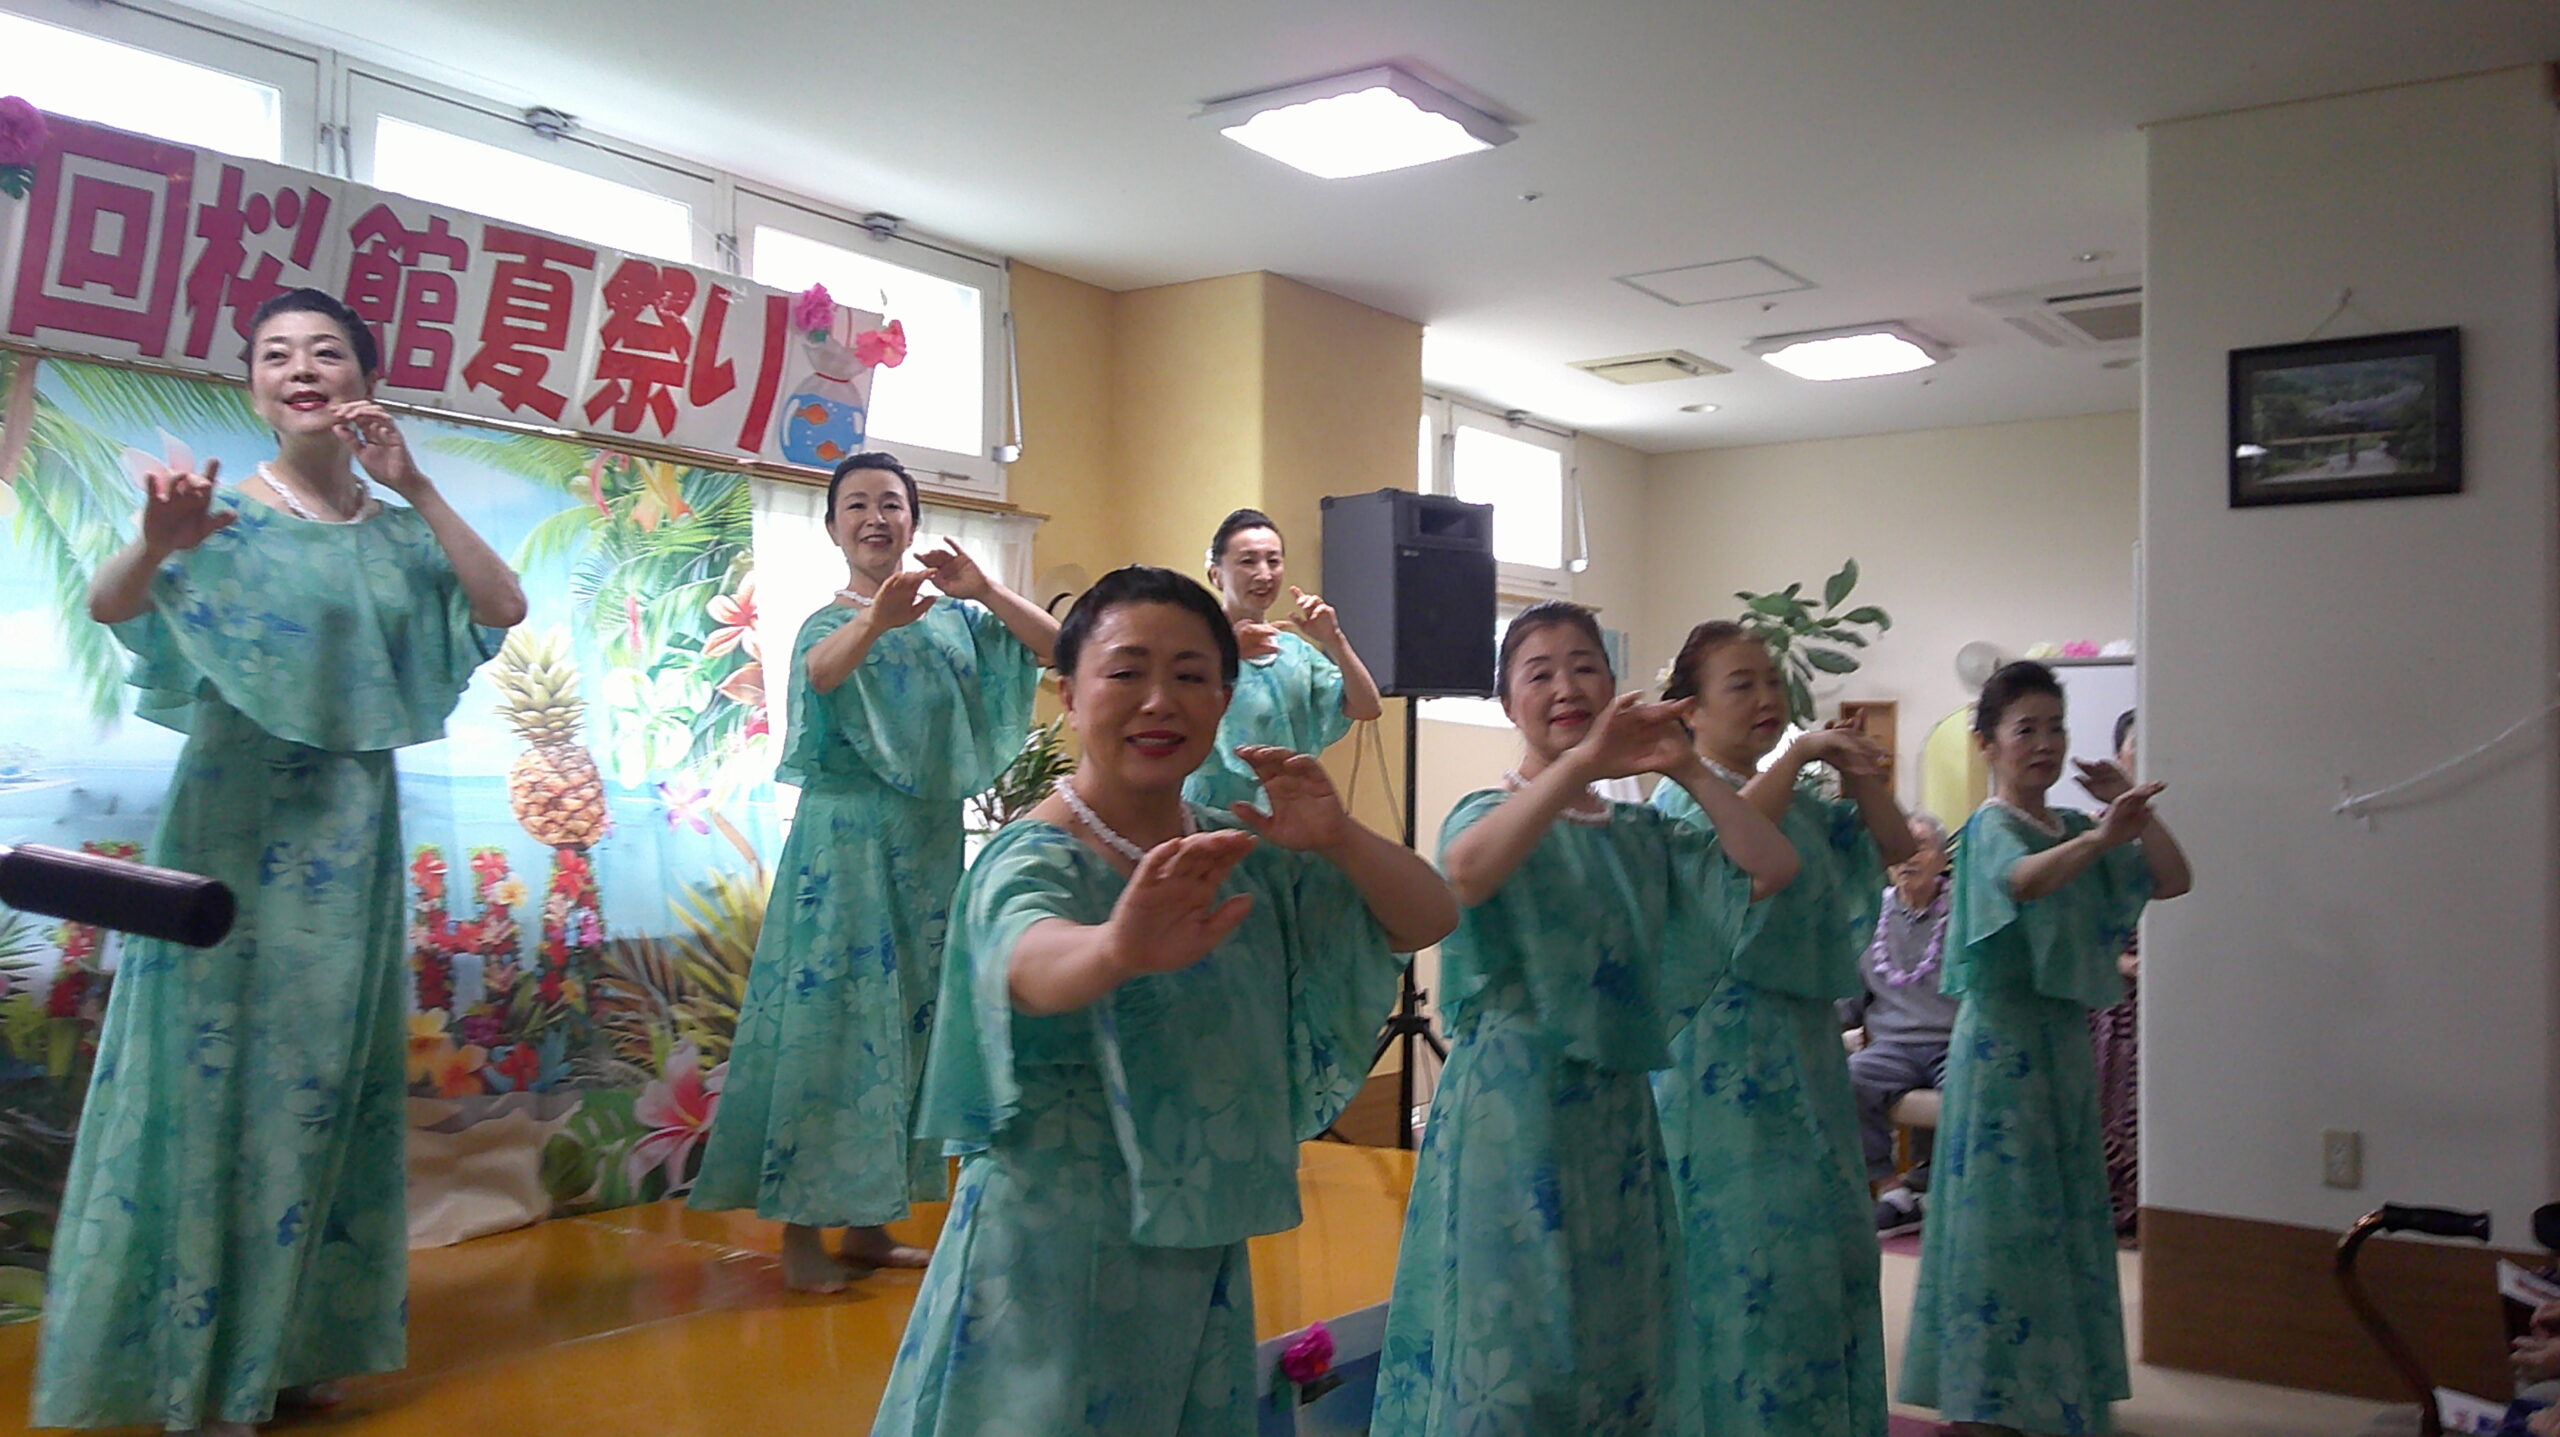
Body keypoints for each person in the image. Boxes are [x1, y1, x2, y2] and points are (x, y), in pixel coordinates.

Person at [34, 288, 526, 1435]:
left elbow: (501, 602)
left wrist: (417, 484)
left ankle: (291, 1347)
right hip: (228, 837)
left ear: (365, 380)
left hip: (351, 843)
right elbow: (110, 605)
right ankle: (201, 1369)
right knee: (211, 1087)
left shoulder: (398, 531)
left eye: (325, 352)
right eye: (275, 354)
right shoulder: (217, 519)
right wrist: (156, 543)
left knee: (323, 1088)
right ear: (253, 385)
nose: (300, 368)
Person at [871, 565, 1454, 1436]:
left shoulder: (1233, 848)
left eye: (1190, 675)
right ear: (1070, 694)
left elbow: (1428, 915)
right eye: (1125, 671)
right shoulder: (1031, 853)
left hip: (1196, 1247)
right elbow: (1026, 958)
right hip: (1050, 1263)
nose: (1159, 701)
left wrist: (1338, 837)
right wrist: (1116, 947)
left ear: (1223, 701)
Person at [1371, 602, 1800, 1436]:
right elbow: (1467, 870)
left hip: (1615, 1119)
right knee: (1517, 1344)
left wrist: (1689, 768)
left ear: (1612, 685)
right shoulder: (1483, 810)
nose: (1566, 686)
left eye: (1585, 667)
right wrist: (1580, 768)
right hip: (1511, 1118)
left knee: (1615, 1333)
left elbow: (1771, 864)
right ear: (1508, 702)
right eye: (1540, 673)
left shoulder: (1641, 832)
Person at [689, 452, 1057, 1293]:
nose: (874, 518)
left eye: (891, 503)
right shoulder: (828, 622)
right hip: (843, 847)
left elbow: (1059, 646)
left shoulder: (953, 621)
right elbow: (821, 675)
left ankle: (867, 1224)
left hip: (925, 847)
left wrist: (985, 590)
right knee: (831, 1023)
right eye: (855, 505)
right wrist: (878, 622)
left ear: (914, 522)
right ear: (832, 527)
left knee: (905, 1025)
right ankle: (800, 1231)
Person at [1899, 661, 2192, 1437]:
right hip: (2001, 1048)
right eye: (2024, 728)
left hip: (2062, 1045)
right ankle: (1987, 1396)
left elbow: (2173, 879)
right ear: (1987, 743)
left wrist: (2130, 813)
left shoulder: (2070, 824)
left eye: (2055, 727)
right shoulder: (1989, 826)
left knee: (2059, 1212)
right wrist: (2101, 836)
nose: (2044, 743)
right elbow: (2022, 882)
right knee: (2002, 1220)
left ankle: (2056, 1385)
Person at [1649, 620, 1918, 1437]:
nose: (1767, 696)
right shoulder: (1678, 800)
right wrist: (1798, 755)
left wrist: (1859, 769)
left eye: (1772, 680)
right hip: (1720, 1061)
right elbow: (1733, 853)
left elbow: (1896, 843)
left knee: (1824, 1246)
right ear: (1690, 711)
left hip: (1804, 1049)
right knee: (1744, 1257)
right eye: (1742, 684)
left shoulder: (1802, 802)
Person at [1184, 508, 1382, 812]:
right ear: (1216, 574)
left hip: (1287, 816)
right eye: (1248, 561)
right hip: (1207, 816)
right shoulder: (1192, 646)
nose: (1264, 574)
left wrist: (1335, 640)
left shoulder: (1294, 652)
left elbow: (1368, 707)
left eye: (1273, 561)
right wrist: (1226, 655)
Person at [1845, 812, 1960, 1237]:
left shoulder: (1965, 910)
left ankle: (1958, 1193)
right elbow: (1849, 996)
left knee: (1979, 1084)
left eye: (1921, 846)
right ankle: (1893, 1192)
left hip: (1955, 1040)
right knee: (1849, 1078)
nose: (1908, 857)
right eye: (1898, 847)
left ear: (1943, 858)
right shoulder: (1869, 914)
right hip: (1891, 1046)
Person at [2089, 709, 2142, 1239]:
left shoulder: (2168, 828)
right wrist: (2121, 963)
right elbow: (2070, 927)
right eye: (2136, 745)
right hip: (2110, 994)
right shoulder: (2092, 831)